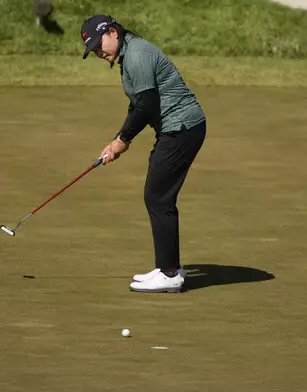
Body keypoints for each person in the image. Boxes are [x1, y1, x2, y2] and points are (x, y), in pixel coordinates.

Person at [81, 15, 206, 293]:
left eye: (99, 46)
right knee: (158, 194)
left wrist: (123, 140)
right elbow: (137, 103)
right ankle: (166, 267)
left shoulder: (137, 55)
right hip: (176, 129)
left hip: (183, 128)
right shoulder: (129, 54)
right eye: (94, 52)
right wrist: (117, 139)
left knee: (157, 196)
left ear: (112, 32)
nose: (99, 54)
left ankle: (170, 274)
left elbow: (147, 106)